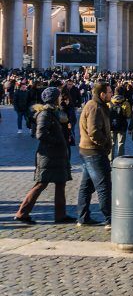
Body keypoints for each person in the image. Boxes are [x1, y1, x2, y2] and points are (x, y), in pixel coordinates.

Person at [15, 87, 74, 224]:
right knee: (41, 184)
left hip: (57, 155)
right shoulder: (45, 114)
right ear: (53, 98)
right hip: (48, 155)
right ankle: (22, 213)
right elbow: (40, 134)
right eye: (59, 96)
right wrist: (58, 141)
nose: (61, 98)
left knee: (61, 183)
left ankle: (61, 215)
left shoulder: (55, 112)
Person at [77, 81, 113, 228]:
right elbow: (94, 132)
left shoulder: (96, 105)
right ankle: (110, 218)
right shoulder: (95, 107)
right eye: (110, 92)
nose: (112, 94)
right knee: (104, 185)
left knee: (86, 186)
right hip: (94, 152)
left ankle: (82, 217)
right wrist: (105, 144)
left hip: (87, 150)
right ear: (102, 94)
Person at [108, 86, 131, 160]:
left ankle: (110, 159)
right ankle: (120, 159)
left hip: (111, 125)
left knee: (112, 143)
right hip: (122, 126)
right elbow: (128, 115)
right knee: (121, 143)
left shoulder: (110, 102)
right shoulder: (125, 103)